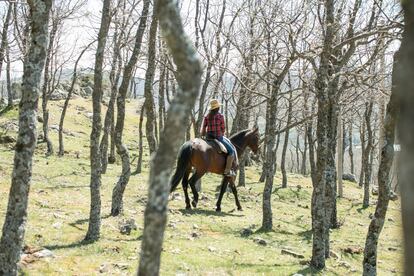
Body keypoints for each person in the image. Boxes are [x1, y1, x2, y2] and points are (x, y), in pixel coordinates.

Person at [200, 99, 236, 176]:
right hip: (218, 137)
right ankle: (227, 171)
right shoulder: (220, 116)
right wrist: (222, 134)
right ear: (217, 108)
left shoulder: (207, 116)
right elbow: (223, 128)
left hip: (208, 138)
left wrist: (203, 135)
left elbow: (203, 128)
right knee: (231, 151)